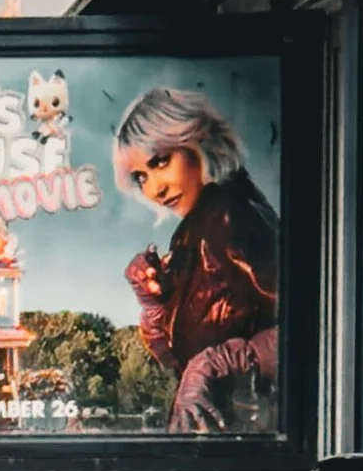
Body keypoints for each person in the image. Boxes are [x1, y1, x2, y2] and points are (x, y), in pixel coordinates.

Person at [113, 85, 280, 433]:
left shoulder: (232, 217)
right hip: (222, 442)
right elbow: (176, 358)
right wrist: (154, 300)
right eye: (141, 177)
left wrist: (217, 363)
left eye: (160, 161)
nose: (154, 189)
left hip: (250, 441)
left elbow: (307, 333)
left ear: (197, 140)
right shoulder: (196, 227)